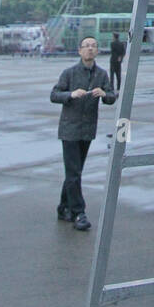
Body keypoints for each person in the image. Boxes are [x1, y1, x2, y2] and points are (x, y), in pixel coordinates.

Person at [50, 36, 117, 230]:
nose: (90, 49)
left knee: (75, 171)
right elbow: (54, 95)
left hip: (87, 130)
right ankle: (79, 212)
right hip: (69, 129)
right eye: (86, 46)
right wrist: (70, 95)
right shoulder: (69, 73)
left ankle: (63, 207)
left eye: (93, 46)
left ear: (97, 51)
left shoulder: (102, 75)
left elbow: (112, 96)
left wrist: (105, 95)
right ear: (79, 51)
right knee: (74, 172)